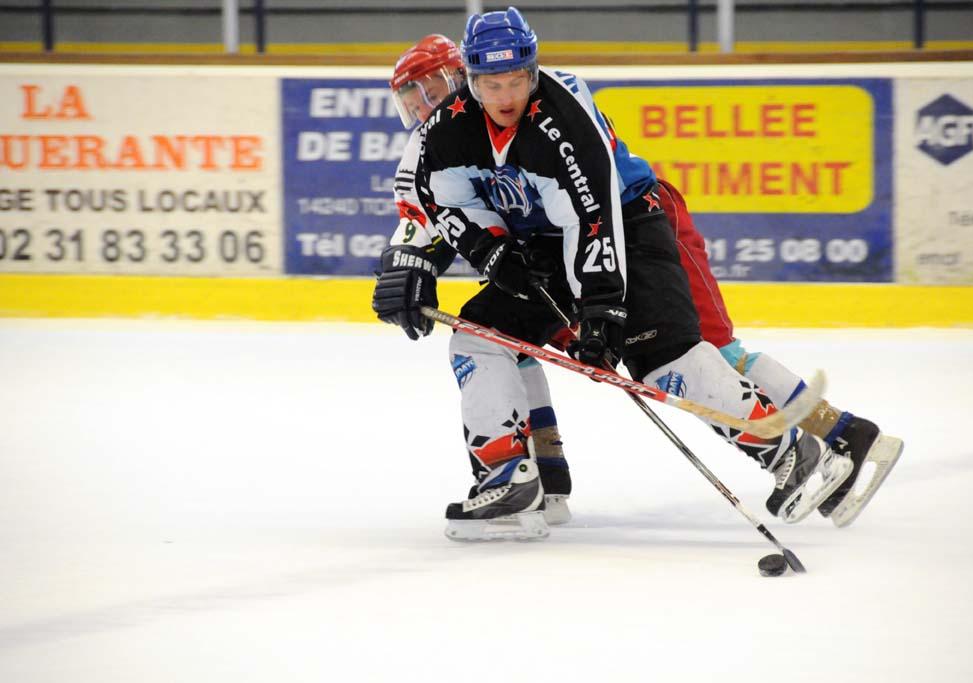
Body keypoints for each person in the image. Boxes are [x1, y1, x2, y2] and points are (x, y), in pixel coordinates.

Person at [374, 11, 900, 539]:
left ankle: (811, 445)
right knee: (484, 338)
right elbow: (436, 208)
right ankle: (519, 478)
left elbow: (592, 215)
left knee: (677, 355)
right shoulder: (440, 133)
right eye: (492, 83)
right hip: (545, 244)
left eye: (515, 80)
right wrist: (477, 255)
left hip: (629, 222)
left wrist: (602, 309)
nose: (506, 94)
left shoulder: (560, 116)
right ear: (472, 79)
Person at [375, 34, 573, 526]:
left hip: (574, 257)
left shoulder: (520, 115)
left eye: (430, 88)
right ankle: (543, 477)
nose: (423, 105)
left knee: (481, 342)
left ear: (462, 76)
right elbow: (422, 217)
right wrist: (406, 261)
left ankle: (509, 472)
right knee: (508, 347)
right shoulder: (429, 143)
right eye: (411, 97)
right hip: (534, 265)